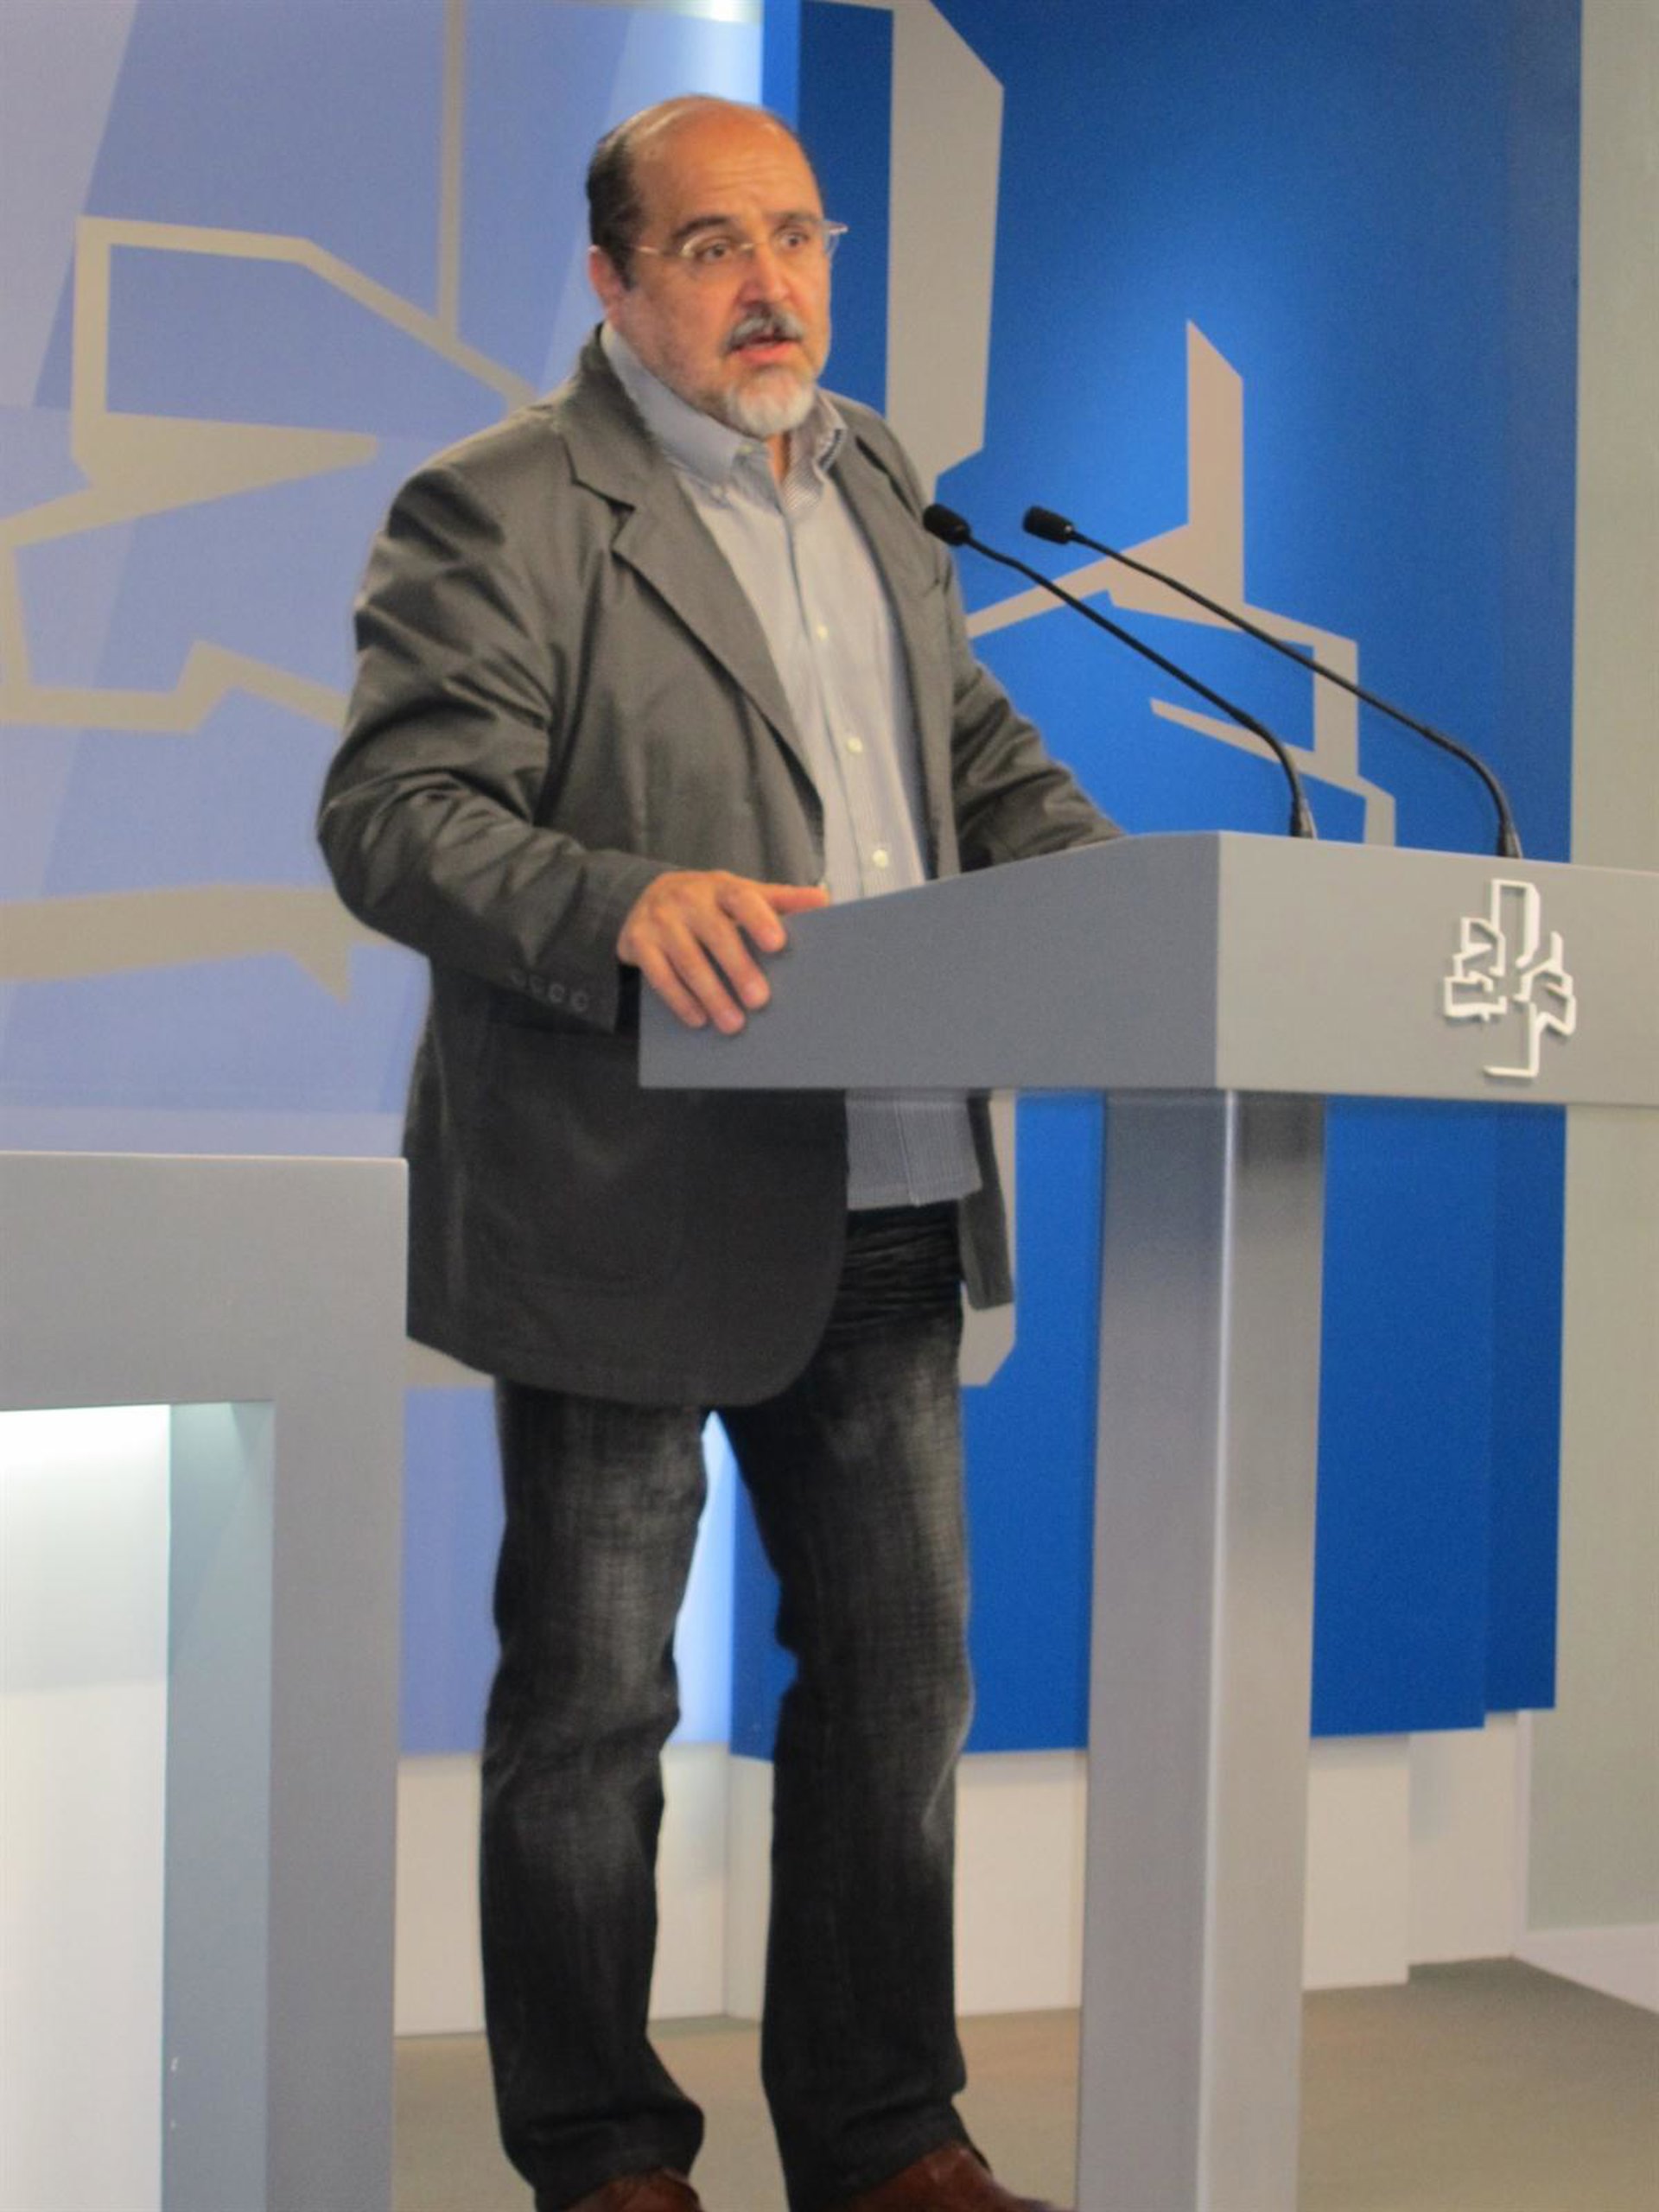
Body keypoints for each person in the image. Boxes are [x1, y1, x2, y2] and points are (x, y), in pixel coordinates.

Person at [319, 94, 1116, 2212]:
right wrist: (619, 903)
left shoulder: (876, 481)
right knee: (594, 1710)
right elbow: (396, 814)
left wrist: (1128, 897)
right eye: (710, 246)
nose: (770, 285)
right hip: (625, 1198)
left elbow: (967, 754)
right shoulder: (501, 506)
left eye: (796, 238)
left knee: (899, 1691)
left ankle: (885, 2134)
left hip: (893, 1180)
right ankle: (603, 2156)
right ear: (612, 279)